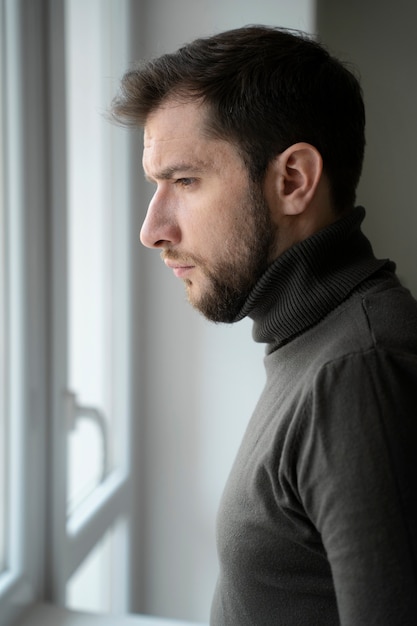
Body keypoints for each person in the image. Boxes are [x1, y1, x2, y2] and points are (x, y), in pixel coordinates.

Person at [110, 25, 417, 625]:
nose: (152, 230)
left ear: (293, 181)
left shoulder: (360, 373)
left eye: (185, 181)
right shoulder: (315, 340)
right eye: (156, 186)